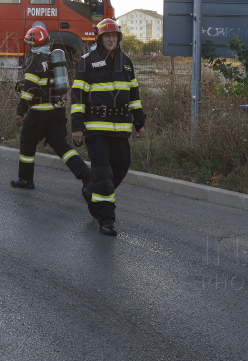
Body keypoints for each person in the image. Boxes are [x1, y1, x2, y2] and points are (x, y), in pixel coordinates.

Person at [71, 18, 147, 236]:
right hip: (96, 129)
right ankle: (106, 220)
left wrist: (139, 121)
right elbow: (77, 97)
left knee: (121, 168)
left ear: (119, 38)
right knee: (103, 174)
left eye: (114, 36)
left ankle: (91, 191)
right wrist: (77, 127)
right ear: (100, 38)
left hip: (121, 129)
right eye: (107, 36)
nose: (111, 39)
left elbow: (134, 94)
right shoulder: (86, 62)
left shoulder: (126, 62)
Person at [11, 25, 91, 191]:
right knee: (62, 146)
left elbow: (29, 90)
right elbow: (47, 85)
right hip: (57, 111)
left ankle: (25, 180)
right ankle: (85, 173)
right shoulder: (54, 58)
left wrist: (20, 112)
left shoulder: (34, 59)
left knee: (27, 142)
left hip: (39, 112)